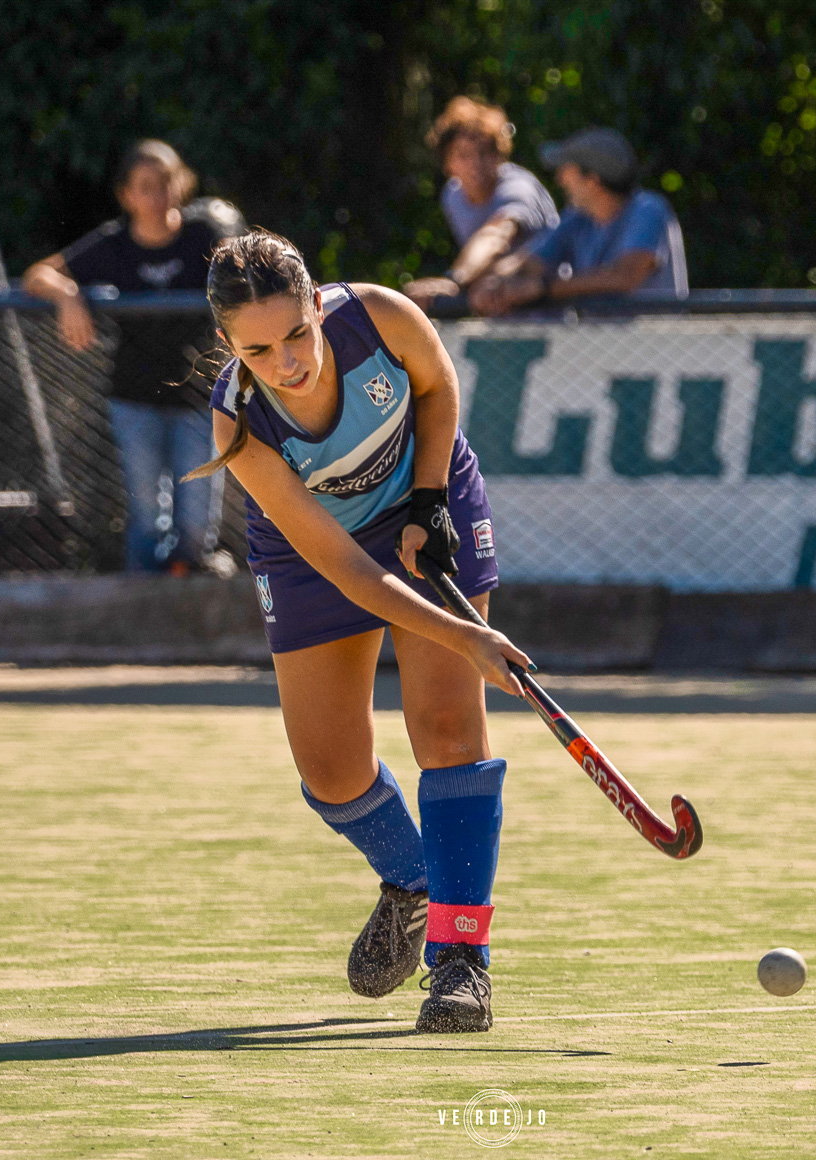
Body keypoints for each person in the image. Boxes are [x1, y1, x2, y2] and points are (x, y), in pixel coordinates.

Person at [184, 231, 530, 1033]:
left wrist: (430, 500)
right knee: (332, 771)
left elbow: (438, 389)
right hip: (319, 557)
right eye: (260, 349)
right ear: (229, 345)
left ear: (316, 304)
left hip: (423, 498)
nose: (289, 362)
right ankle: (414, 880)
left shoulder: (378, 317)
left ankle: (460, 959)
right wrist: (466, 635)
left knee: (447, 726)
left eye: (297, 333)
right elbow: (348, 573)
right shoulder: (238, 423)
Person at [22, 140, 246, 573]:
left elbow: (242, 271)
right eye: (145, 186)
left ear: (181, 185)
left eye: (165, 183)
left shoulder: (206, 235)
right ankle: (144, 605)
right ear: (126, 195)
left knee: (197, 522)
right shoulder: (113, 244)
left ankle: (190, 605)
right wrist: (67, 294)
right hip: (134, 397)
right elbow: (37, 275)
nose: (157, 195)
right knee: (147, 515)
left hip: (198, 398)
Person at [469, 126, 688, 316]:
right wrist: (495, 282)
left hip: (657, 351)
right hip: (599, 350)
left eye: (566, 170)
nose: (559, 179)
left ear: (592, 180)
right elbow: (529, 262)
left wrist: (543, 288)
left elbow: (625, 276)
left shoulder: (648, 209)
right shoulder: (577, 219)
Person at [402, 97, 558, 311]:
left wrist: (453, 281)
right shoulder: (452, 196)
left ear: (499, 155)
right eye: (463, 155)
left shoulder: (517, 187)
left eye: (485, 152)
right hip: (497, 304)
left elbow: (496, 236)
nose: (476, 164)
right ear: (447, 162)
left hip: (551, 307)